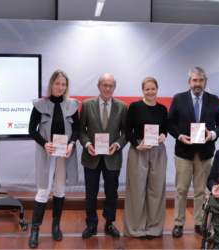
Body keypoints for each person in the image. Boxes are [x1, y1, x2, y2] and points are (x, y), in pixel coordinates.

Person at [168, 67, 219, 237]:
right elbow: (170, 122)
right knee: (181, 190)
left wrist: (213, 134)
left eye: (201, 80)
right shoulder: (179, 98)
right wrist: (180, 136)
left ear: (205, 82)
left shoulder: (214, 100)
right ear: (189, 82)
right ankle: (178, 223)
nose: (198, 84)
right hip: (183, 152)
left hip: (205, 153)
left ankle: (199, 223)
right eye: (195, 80)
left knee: (201, 190)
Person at [28, 70, 80, 248]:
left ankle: (55, 226)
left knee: (59, 189)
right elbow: (32, 130)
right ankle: (35, 230)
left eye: (63, 84)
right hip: (47, 153)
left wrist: (72, 143)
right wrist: (45, 144)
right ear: (51, 84)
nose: (60, 87)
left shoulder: (72, 104)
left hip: (65, 153)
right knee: (43, 190)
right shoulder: (40, 104)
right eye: (57, 83)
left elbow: (77, 130)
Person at [79, 73, 127, 239]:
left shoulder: (122, 106)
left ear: (115, 87)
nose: (108, 88)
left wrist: (117, 144)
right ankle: (91, 224)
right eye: (105, 85)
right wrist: (87, 144)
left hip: (112, 157)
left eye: (111, 85)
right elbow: (81, 131)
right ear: (98, 86)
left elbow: (125, 132)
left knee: (111, 193)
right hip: (91, 156)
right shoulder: (86, 105)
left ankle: (109, 223)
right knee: (90, 193)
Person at [123, 77, 168, 240]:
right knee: (137, 190)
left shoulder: (163, 109)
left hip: (157, 151)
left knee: (156, 190)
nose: (150, 92)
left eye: (153, 89)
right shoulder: (135, 106)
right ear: (142, 90)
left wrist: (164, 136)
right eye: (147, 89)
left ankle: (153, 228)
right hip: (139, 150)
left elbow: (165, 130)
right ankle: (136, 228)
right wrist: (137, 145)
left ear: (157, 89)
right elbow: (127, 130)